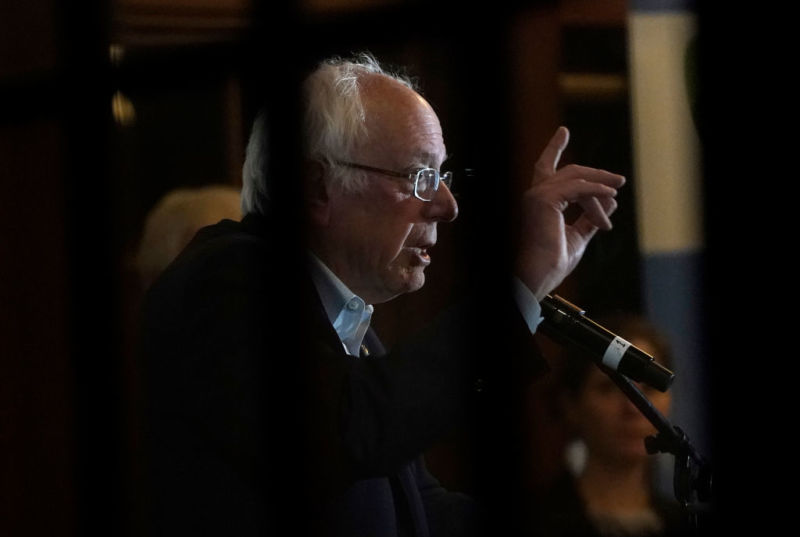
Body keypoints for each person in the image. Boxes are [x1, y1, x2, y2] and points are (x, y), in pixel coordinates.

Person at [138, 52, 625, 536]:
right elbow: (350, 434)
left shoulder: (348, 327)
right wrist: (522, 282)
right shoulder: (226, 280)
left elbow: (418, 510)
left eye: (442, 176)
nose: (447, 205)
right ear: (316, 188)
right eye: (419, 177)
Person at [527, 314, 689, 537]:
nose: (633, 408)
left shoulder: (689, 523)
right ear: (571, 405)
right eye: (608, 388)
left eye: (649, 390)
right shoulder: (532, 521)